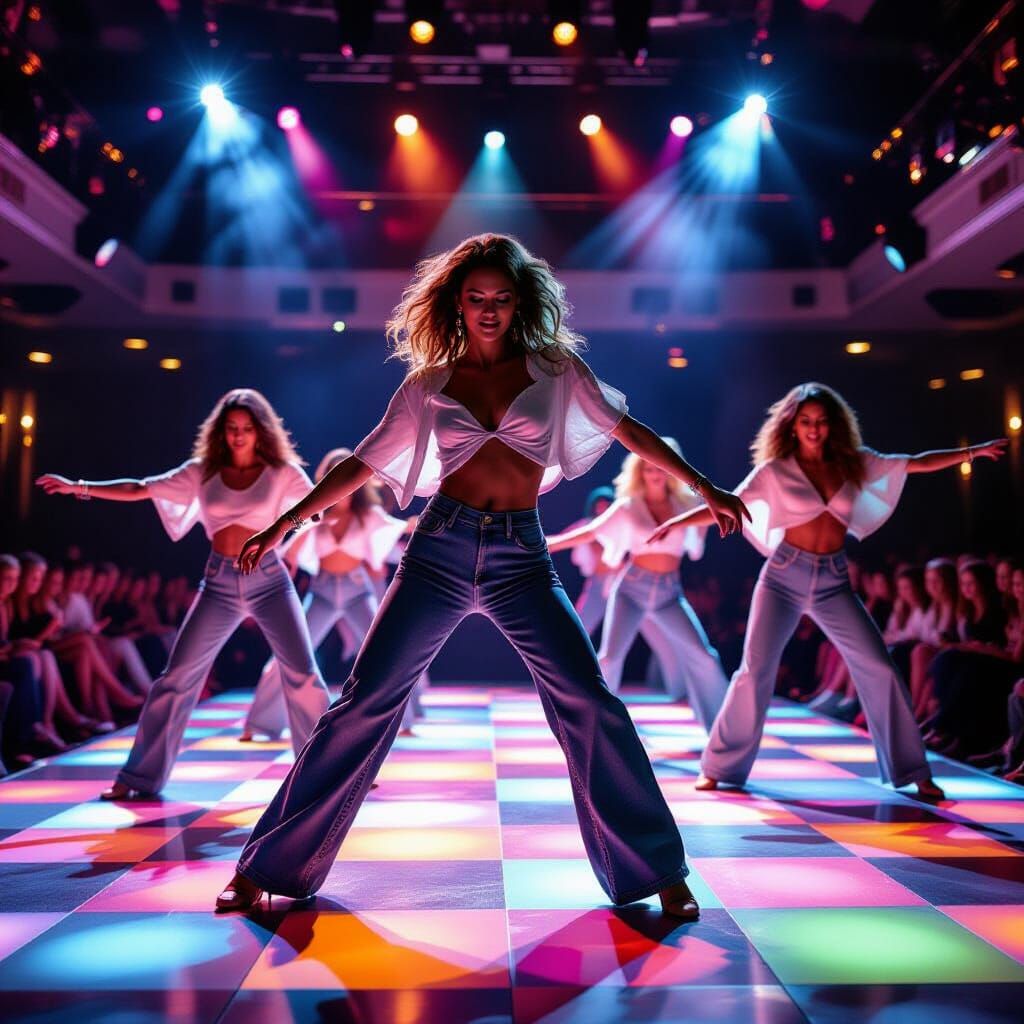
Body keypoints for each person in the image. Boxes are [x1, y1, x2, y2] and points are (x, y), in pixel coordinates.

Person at [215, 233, 748, 917]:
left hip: (520, 558)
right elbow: (364, 464)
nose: (489, 309)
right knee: (363, 702)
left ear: (519, 302)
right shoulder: (429, 384)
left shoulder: (556, 372)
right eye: (476, 299)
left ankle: (657, 870)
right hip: (439, 550)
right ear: (456, 305)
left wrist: (706, 487)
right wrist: (283, 523)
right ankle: (265, 867)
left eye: (501, 298)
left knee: (590, 701)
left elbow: (629, 431)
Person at [650, 381, 1006, 800]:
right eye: (806, 421)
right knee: (755, 670)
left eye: (821, 421)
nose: (814, 428)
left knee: (880, 666)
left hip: (834, 579)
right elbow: (728, 504)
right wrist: (675, 524)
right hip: (783, 576)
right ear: (792, 425)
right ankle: (718, 766)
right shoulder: (776, 470)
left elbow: (915, 464)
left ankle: (914, 771)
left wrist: (971, 453)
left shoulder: (854, 463)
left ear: (833, 425)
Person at [36, 388, 331, 799]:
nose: (239, 436)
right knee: (174, 679)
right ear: (221, 432)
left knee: (302, 675)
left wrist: (292, 536)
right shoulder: (202, 471)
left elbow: (316, 507)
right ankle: (138, 777)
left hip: (269, 580)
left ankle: (327, 773)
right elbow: (141, 488)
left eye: (246, 428)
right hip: (219, 583)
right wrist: (79, 487)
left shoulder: (282, 472)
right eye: (231, 429)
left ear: (261, 431)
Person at [240, 447, 421, 742]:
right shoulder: (313, 518)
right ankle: (260, 722)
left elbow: (399, 530)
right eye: (333, 478)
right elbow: (291, 548)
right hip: (322, 592)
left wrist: (417, 525)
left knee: (384, 651)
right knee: (290, 654)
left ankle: (404, 718)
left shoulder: (368, 516)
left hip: (357, 592)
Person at [547, 441, 728, 732]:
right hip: (632, 588)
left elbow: (712, 518)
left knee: (703, 655)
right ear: (639, 472)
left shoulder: (686, 505)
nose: (655, 474)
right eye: (648, 468)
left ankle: (721, 731)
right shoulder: (629, 506)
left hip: (670, 593)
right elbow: (592, 530)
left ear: (671, 470)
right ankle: (597, 729)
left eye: (660, 468)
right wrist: (552, 543)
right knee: (610, 657)